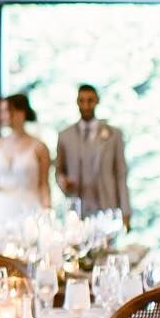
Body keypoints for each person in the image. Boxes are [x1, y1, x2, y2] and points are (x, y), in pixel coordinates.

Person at [56, 83, 130, 224]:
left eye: (90, 100)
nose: (86, 105)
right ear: (77, 102)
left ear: (97, 101)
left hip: (107, 206)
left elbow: (121, 173)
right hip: (77, 209)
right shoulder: (64, 136)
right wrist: (63, 183)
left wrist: (125, 210)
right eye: (82, 101)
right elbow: (59, 171)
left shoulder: (114, 135)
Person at [0, 93, 51, 227]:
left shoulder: (39, 147)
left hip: (29, 210)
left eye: (9, 110)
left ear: (22, 112)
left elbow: (44, 185)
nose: (4, 115)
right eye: (2, 111)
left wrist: (47, 212)